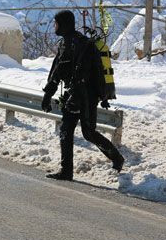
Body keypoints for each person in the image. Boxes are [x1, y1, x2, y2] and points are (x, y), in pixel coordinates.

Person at [41, 10, 124, 180]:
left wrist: (100, 96)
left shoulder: (82, 45)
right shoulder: (65, 44)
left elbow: (87, 74)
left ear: (64, 24)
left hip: (86, 96)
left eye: (57, 24)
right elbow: (56, 72)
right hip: (74, 94)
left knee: (88, 132)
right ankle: (66, 171)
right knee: (66, 130)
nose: (55, 27)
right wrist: (48, 95)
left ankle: (117, 158)